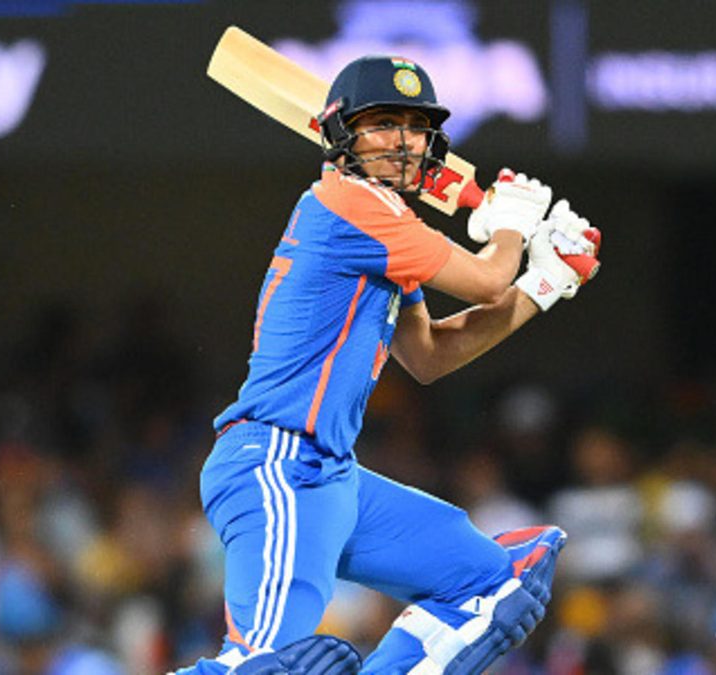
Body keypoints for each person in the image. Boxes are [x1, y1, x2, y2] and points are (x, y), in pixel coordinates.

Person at [176, 55, 600, 674]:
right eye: (382, 123)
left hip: (332, 476)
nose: (402, 142)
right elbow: (484, 280)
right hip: (278, 467)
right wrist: (509, 227)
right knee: (265, 666)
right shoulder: (354, 205)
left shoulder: (385, 226)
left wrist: (540, 283)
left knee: (495, 585)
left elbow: (430, 356)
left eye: (414, 126)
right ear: (341, 133)